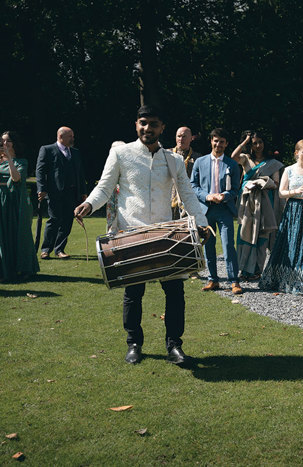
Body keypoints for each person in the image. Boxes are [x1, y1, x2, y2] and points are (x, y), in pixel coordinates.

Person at [74, 105, 209, 365]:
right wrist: (89, 204)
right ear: (136, 125)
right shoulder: (120, 153)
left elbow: (187, 194)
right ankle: (134, 344)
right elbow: (104, 187)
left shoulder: (173, 160)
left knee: (175, 293)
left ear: (162, 128)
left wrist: (201, 223)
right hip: (131, 235)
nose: (148, 128)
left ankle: (175, 346)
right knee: (133, 294)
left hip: (166, 235)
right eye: (143, 123)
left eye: (154, 124)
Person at [259, 139, 303, 295]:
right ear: (296, 153)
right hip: (293, 209)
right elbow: (281, 192)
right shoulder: (289, 170)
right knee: (291, 242)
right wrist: (296, 191)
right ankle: (286, 278)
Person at [190, 128, 243, 295]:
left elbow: (236, 189)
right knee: (208, 246)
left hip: (224, 209)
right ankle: (213, 279)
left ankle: (234, 281)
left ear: (226, 144)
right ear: (211, 141)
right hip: (205, 209)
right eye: (215, 141)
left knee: (228, 245)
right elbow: (193, 185)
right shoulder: (200, 162)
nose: (218, 144)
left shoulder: (232, 164)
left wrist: (224, 195)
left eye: (221, 141)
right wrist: (207, 196)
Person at [230, 131, 285, 280]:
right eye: (254, 143)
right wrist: (244, 142)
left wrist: (261, 183)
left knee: (262, 234)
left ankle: (256, 270)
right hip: (247, 202)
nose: (258, 145)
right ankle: (244, 269)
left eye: (260, 142)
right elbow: (233, 157)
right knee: (245, 232)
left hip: (266, 201)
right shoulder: (246, 159)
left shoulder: (272, 163)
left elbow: (276, 184)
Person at [36, 126, 87, 259]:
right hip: (54, 192)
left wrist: (83, 192)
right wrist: (41, 188)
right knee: (54, 220)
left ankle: (59, 250)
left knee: (67, 221)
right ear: (61, 137)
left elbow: (80, 174)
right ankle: (46, 249)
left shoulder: (75, 152)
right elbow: (40, 170)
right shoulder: (47, 150)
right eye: (70, 136)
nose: (73, 138)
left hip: (72, 193)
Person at [0, 131, 39, 280]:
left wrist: (9, 158)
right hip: (1, 199)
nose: (4, 144)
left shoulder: (21, 161)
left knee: (19, 233)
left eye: (7, 141)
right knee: (2, 234)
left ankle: (24, 268)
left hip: (16, 201)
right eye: (2, 141)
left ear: (13, 143)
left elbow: (16, 178)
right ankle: (4, 269)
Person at [170, 126, 202, 219]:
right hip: (167, 201)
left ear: (191, 138)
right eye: (179, 136)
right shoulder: (166, 155)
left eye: (184, 136)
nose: (181, 139)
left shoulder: (198, 158)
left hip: (188, 203)